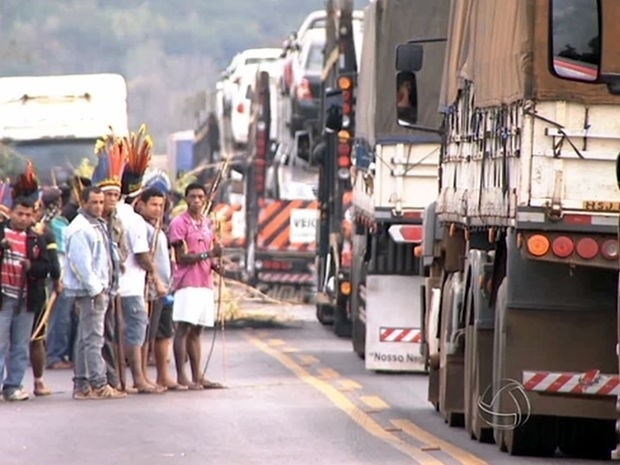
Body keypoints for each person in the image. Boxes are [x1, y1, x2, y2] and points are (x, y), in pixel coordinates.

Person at [116, 126, 166, 394]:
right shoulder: (133, 219)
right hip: (131, 287)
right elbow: (143, 256)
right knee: (136, 331)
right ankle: (138, 378)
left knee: (120, 333)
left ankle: (127, 378)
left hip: (116, 286)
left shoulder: (115, 214)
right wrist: (156, 278)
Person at [64, 185, 126, 400]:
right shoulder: (81, 228)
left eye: (101, 202)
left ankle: (81, 385)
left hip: (101, 288)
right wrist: (96, 290)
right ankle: (99, 383)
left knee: (84, 338)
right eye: (94, 202)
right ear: (84, 203)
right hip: (91, 291)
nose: (99, 206)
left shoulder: (97, 225)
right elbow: (81, 265)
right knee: (94, 338)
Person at [168, 182, 224, 390]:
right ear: (186, 199)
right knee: (183, 327)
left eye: (201, 197)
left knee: (197, 330)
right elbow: (181, 257)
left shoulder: (207, 223)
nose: (197, 201)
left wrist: (217, 265)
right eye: (192, 197)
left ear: (206, 199)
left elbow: (210, 253)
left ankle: (197, 375)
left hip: (204, 282)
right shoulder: (179, 223)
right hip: (187, 281)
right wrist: (208, 255)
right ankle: (182, 376)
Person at [0, 194, 53, 401]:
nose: (23, 218)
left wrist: (31, 266)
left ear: (33, 217)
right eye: (19, 214)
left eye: (27, 215)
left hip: (26, 299)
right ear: (11, 212)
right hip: (4, 297)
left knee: (21, 345)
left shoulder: (36, 239)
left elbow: (46, 266)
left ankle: (13, 385)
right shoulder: (1, 233)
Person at [138, 178, 185, 391]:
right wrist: (156, 280)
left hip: (165, 287)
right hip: (151, 288)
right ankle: (144, 377)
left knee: (164, 332)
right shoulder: (142, 228)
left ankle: (163, 376)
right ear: (142, 205)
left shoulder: (160, 228)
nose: (157, 209)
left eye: (160, 205)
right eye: (153, 205)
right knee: (148, 333)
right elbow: (145, 257)